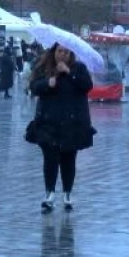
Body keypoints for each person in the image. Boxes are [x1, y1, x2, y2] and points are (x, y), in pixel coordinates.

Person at [27, 43, 95, 213]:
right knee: (50, 159)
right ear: (54, 51)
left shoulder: (78, 68)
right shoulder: (44, 67)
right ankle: (49, 193)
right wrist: (46, 84)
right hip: (48, 122)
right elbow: (34, 87)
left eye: (66, 52)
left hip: (72, 123)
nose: (62, 55)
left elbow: (87, 86)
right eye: (59, 51)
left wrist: (69, 73)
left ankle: (67, 193)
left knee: (68, 159)